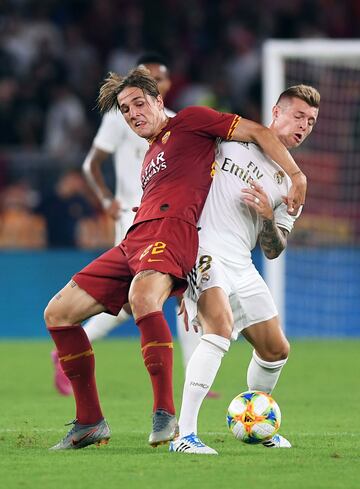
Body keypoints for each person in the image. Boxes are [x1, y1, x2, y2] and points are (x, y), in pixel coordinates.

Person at [44, 67, 306, 451]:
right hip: (135, 238)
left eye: (139, 103)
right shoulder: (151, 155)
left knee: (144, 299)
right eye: (125, 109)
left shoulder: (192, 121)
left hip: (174, 234)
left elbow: (257, 132)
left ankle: (167, 416)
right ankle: (89, 421)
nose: (133, 114)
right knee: (58, 313)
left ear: (158, 101)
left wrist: (295, 175)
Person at [169, 85, 320, 455]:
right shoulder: (230, 141)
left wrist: (269, 218)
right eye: (298, 115)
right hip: (202, 248)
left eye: (311, 122)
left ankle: (256, 421)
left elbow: (273, 249)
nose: (304, 126)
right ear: (276, 111)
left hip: (242, 261)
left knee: (276, 350)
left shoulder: (289, 185)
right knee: (219, 330)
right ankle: (183, 435)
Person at [50, 53, 203, 397]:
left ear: (163, 89)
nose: (156, 82)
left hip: (171, 222)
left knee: (160, 300)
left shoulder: (178, 124)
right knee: (134, 302)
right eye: (150, 76)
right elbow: (92, 164)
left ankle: (195, 376)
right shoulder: (120, 119)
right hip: (132, 221)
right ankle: (73, 346)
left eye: (161, 79)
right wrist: (106, 200)